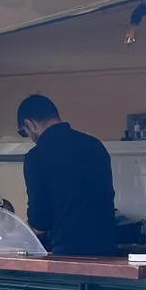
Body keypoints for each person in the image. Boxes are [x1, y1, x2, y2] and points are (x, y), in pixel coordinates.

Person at [16, 94, 117, 257]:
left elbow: (40, 220)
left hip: (69, 252)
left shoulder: (37, 156)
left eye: (24, 132)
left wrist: (22, 235)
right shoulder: (94, 145)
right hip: (107, 248)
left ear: (29, 124)